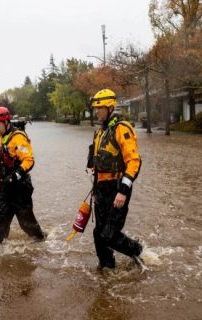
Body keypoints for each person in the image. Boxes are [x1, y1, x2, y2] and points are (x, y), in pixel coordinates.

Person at [87, 89, 143, 270]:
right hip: (102, 189)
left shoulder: (121, 128)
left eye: (100, 108)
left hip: (118, 187)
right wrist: (95, 190)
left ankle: (138, 251)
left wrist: (123, 191)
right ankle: (107, 267)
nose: (97, 112)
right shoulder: (100, 132)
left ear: (110, 107)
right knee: (98, 234)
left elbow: (134, 162)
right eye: (96, 108)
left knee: (110, 234)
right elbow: (95, 165)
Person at [0, 106, 45, 243]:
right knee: (0, 222)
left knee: (26, 223)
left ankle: (41, 240)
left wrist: (15, 176)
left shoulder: (18, 137)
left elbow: (29, 160)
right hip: (5, 188)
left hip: (20, 188)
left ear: (7, 123)